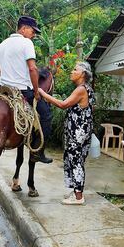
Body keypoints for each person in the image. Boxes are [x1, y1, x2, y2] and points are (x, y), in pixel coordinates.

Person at [0, 16, 52, 163]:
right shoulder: (27, 43)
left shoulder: (3, 44)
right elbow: (32, 69)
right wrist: (36, 91)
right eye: (33, 31)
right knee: (46, 115)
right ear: (24, 28)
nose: (33, 35)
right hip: (22, 91)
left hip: (2, 89)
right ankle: (38, 152)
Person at [38, 62, 94, 205]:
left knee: (76, 161)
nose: (72, 71)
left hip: (78, 132)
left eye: (75, 70)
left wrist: (43, 93)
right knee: (74, 160)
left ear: (82, 74)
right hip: (80, 131)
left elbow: (63, 105)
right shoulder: (86, 89)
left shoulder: (81, 89)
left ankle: (78, 197)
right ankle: (76, 191)